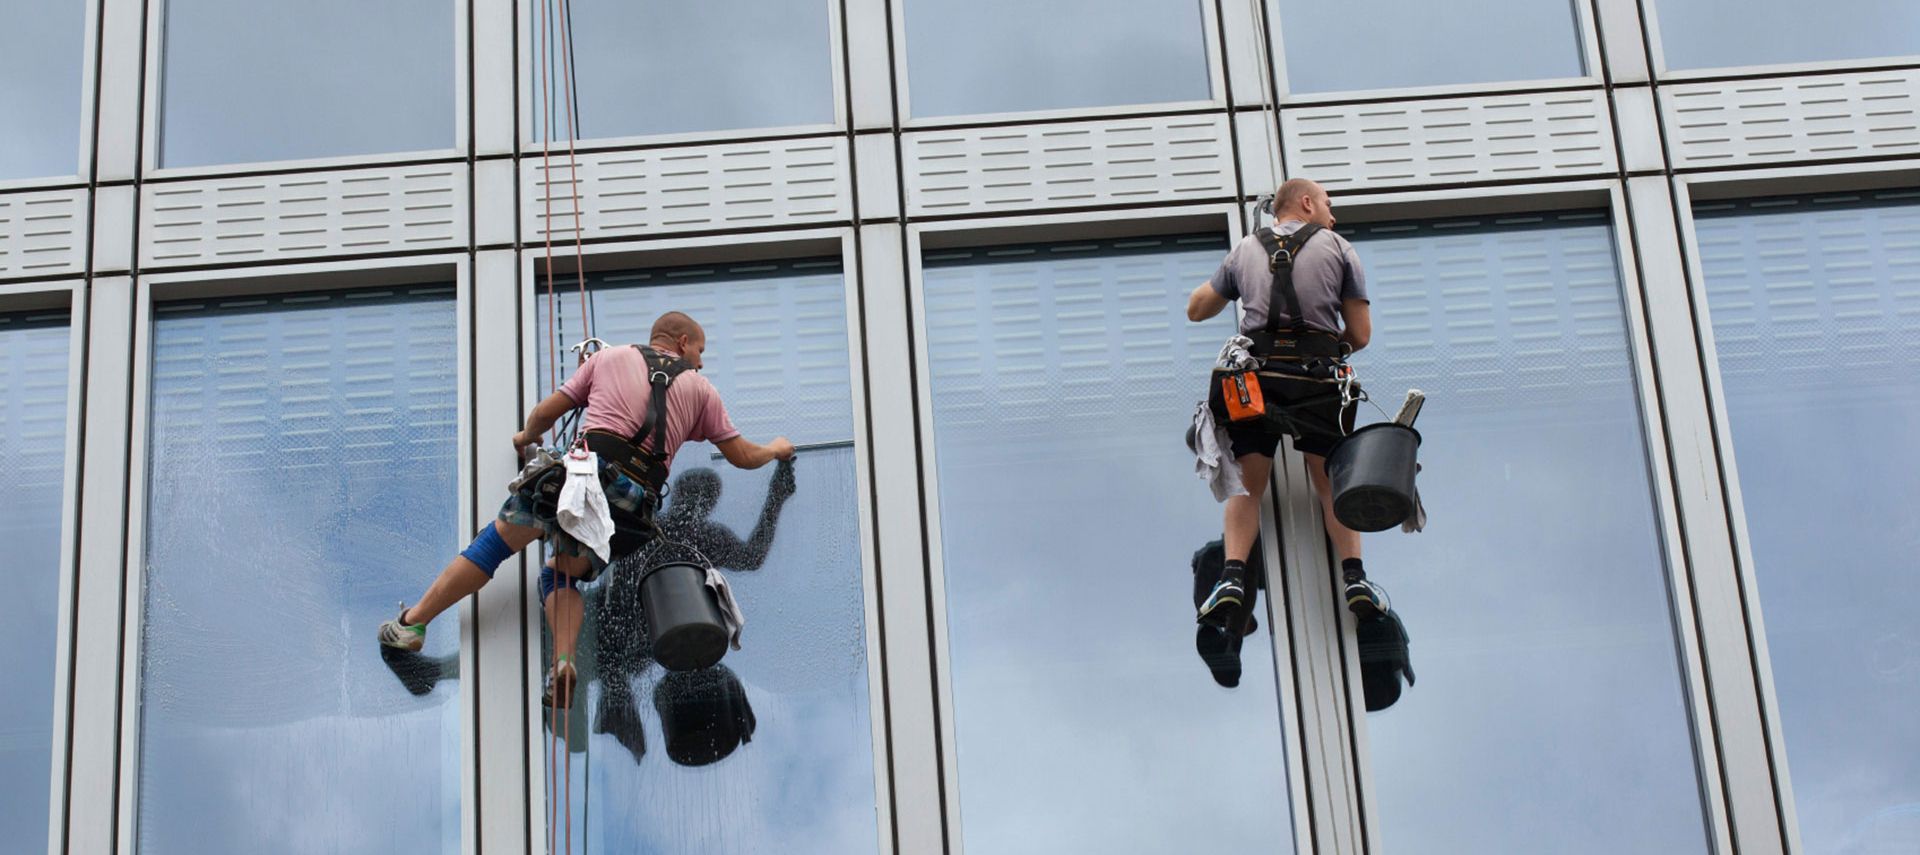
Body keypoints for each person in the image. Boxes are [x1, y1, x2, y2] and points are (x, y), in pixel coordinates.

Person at [376, 311, 795, 709]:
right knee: (559, 574)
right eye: (701, 352)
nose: (701, 364)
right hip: (631, 505)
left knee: (494, 545)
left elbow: (546, 413)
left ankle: (412, 624)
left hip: (578, 477)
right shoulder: (702, 392)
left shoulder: (608, 358)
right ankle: (563, 660)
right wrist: (776, 449)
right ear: (683, 343)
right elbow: (741, 455)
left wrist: (526, 437)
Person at [1187, 178, 1380, 626]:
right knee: (1329, 479)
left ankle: (1233, 577)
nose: (1333, 216)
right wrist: (1328, 349)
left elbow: (1197, 309)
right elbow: (1361, 334)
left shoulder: (1245, 249)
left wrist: (1227, 280)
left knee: (1247, 484)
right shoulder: (1340, 248)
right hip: (1318, 378)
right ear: (1307, 203)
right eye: (1329, 205)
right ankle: (1354, 578)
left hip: (1255, 380)